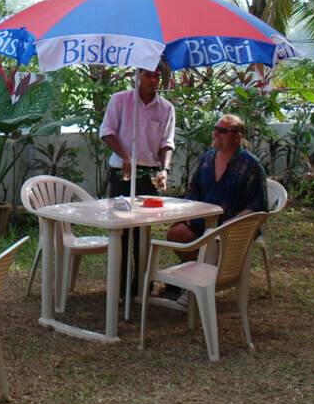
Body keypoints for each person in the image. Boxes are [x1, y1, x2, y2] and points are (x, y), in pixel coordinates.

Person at [98, 66, 175, 301]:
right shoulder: (120, 100)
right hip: (122, 172)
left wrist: (164, 169)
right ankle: (119, 290)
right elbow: (106, 132)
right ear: (138, 75)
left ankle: (141, 287)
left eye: (158, 76)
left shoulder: (166, 108)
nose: (154, 80)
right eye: (150, 75)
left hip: (149, 174)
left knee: (143, 234)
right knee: (121, 232)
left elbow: (166, 143)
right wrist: (125, 155)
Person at [167, 113, 268, 253]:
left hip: (233, 225)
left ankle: (213, 272)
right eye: (216, 128)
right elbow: (193, 190)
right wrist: (189, 215)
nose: (216, 133)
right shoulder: (207, 158)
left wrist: (233, 222)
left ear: (238, 137)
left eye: (223, 131)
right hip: (203, 220)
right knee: (176, 233)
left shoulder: (250, 165)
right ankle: (200, 270)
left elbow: (258, 206)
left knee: (217, 248)